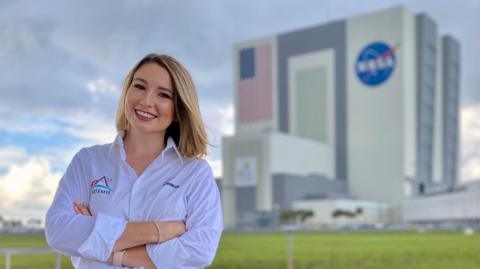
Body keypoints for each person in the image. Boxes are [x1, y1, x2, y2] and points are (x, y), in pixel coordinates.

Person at [45, 53, 223, 269]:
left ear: (178, 110)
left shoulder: (196, 173)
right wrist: (158, 231)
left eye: (164, 95)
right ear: (127, 92)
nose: (147, 101)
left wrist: (105, 245)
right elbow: (58, 230)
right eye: (139, 86)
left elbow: (199, 251)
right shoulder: (88, 161)